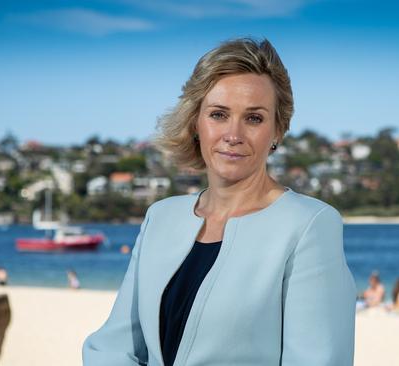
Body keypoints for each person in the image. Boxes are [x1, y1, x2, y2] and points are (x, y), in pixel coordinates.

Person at [82, 37, 358, 366]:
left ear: (277, 131)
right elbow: (114, 347)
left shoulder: (309, 225)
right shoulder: (161, 217)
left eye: (254, 118)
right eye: (218, 114)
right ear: (195, 122)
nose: (233, 134)